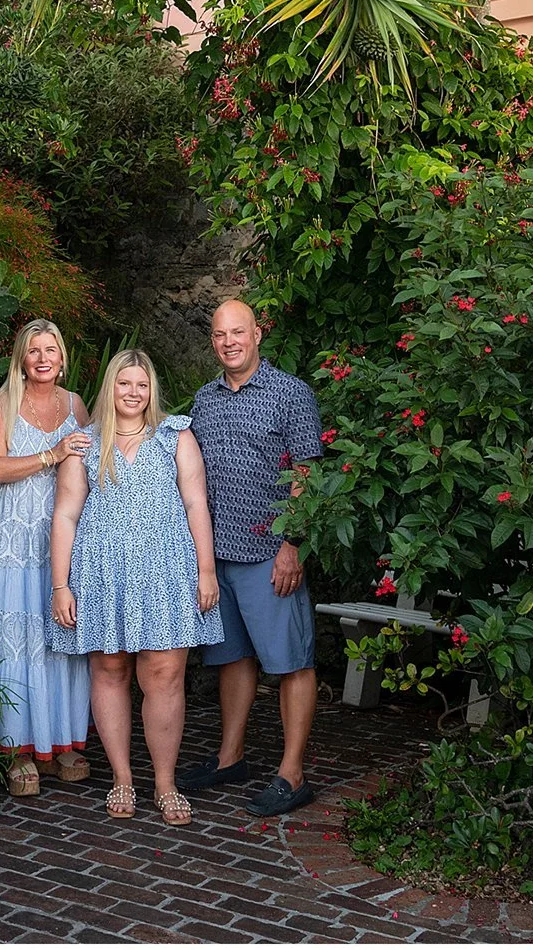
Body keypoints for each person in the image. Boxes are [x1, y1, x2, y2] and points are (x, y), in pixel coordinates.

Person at [48, 348, 223, 825]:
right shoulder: (84, 443)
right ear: (111, 387)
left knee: (164, 675)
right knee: (109, 670)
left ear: (152, 390)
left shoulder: (175, 436)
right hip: (102, 574)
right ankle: (122, 778)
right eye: (124, 383)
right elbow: (65, 514)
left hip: (166, 572)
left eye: (142, 385)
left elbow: (197, 504)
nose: (133, 392)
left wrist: (206, 571)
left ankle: (165, 783)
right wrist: (60, 585)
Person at [178, 300, 324, 816]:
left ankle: (292, 774)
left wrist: (292, 544)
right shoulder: (204, 399)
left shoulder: (290, 394)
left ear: (257, 334)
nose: (229, 343)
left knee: (291, 662)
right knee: (233, 660)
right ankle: (230, 758)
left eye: (238, 332)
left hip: (270, 554)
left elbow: (308, 473)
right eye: (220, 335)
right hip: (218, 557)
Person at [0, 319, 95, 797]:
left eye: (50, 350)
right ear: (21, 358)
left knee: (58, 639)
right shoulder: (3, 403)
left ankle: (58, 744)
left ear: (62, 358)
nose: (42, 358)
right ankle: (16, 748)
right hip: (9, 542)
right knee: (14, 638)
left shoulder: (76, 405)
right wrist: (51, 455)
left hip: (60, 540)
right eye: (33, 350)